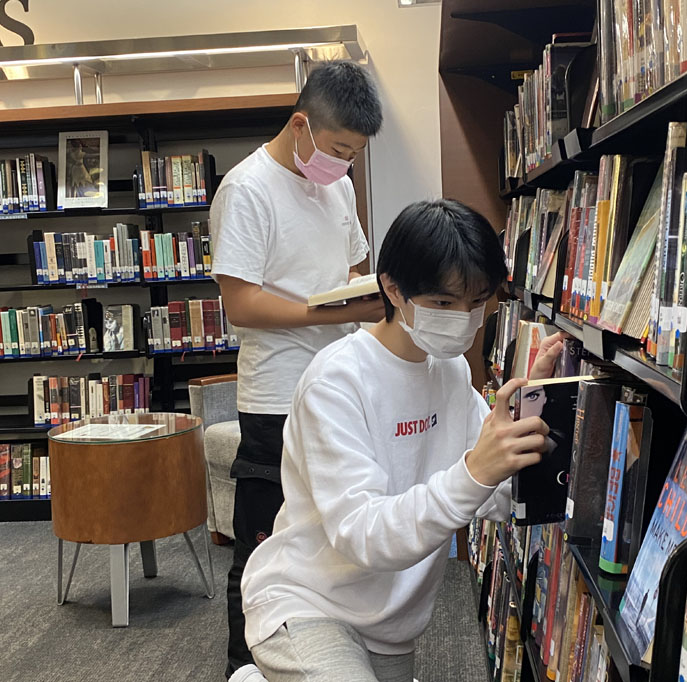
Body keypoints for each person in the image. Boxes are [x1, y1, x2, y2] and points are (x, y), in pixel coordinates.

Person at [239, 199, 565, 682]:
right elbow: (362, 533)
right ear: (392, 289)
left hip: (390, 626)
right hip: (306, 603)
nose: (464, 319)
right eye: (444, 304)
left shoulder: (451, 372)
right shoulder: (336, 382)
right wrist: (475, 471)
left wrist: (535, 420)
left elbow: (494, 497)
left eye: (477, 302)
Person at [209, 60, 385, 678]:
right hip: (277, 397)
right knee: (265, 546)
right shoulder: (247, 189)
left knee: (331, 538)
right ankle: (245, 667)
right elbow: (241, 304)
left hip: (339, 385)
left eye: (354, 155)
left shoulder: (336, 185)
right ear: (300, 125)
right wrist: (337, 310)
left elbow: (351, 265)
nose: (344, 164)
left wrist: (364, 294)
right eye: (338, 150)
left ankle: (325, 653)